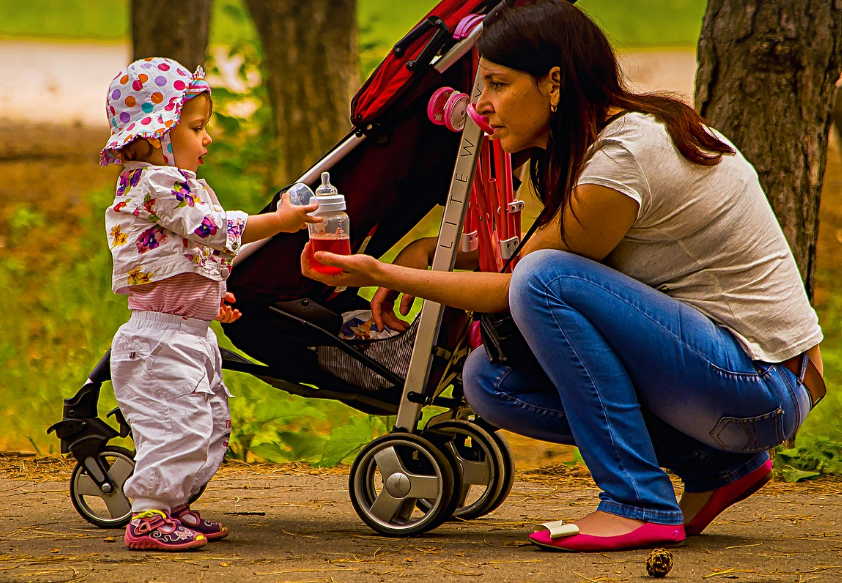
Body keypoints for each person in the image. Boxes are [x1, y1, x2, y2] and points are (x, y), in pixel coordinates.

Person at [301, 0, 827, 552]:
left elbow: (522, 283)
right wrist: (431, 254)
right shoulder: (605, 143)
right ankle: (717, 468)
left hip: (760, 385)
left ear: (554, 83)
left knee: (542, 280)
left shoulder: (624, 158)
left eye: (498, 84)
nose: (481, 104)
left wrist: (378, 270)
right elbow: (534, 262)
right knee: (489, 382)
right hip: (734, 382)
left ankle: (637, 502)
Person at [101, 57, 319, 551]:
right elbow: (210, 229)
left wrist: (210, 299)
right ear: (154, 136)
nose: (208, 138)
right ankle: (147, 514)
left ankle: (173, 504)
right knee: (175, 427)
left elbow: (184, 256)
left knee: (206, 423)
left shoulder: (178, 186)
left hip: (187, 334)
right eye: (197, 128)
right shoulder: (155, 184)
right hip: (158, 341)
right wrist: (277, 222)